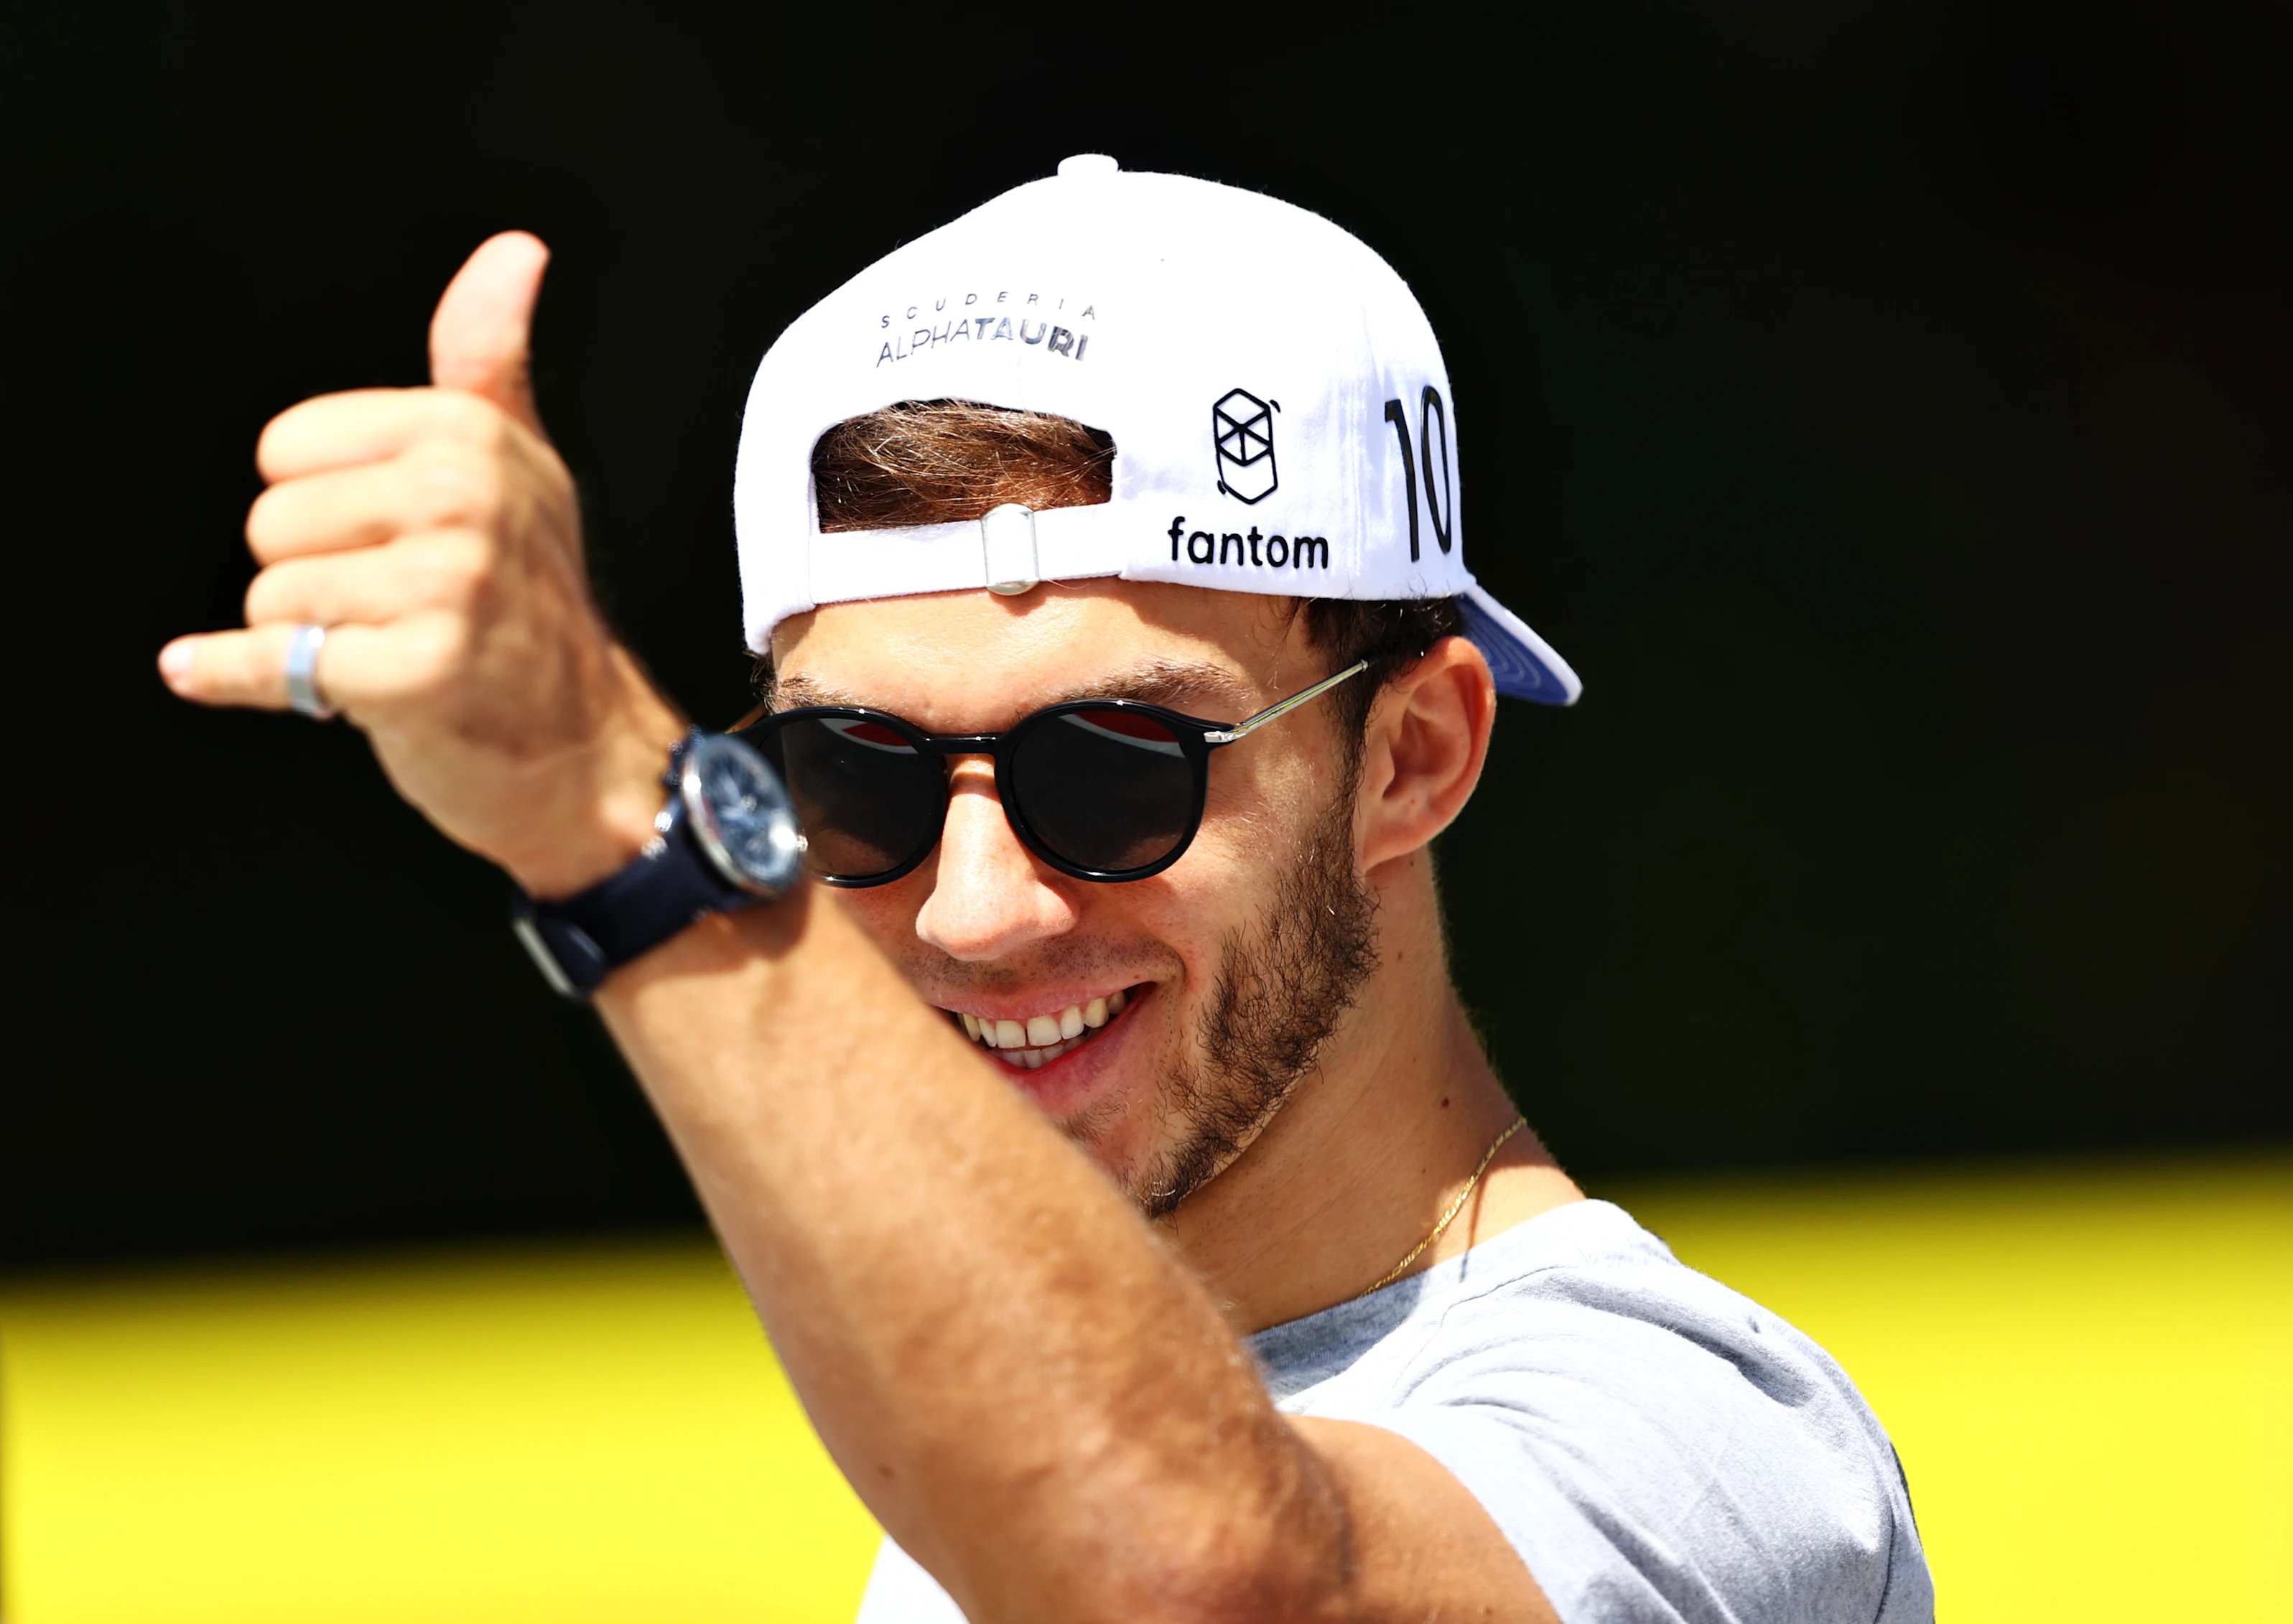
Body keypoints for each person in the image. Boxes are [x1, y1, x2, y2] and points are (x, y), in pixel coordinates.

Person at [159, 157, 1932, 1624]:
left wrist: (625, 823)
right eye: (854, 777)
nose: (973, 912)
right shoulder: (1013, 1427)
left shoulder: (1694, 1442)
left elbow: (1208, 1586)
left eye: (1113, 769)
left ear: (1412, 758)